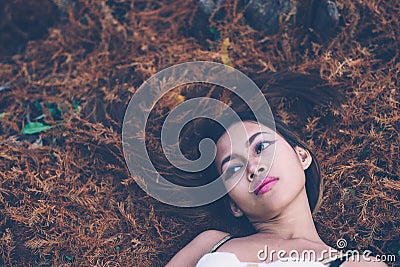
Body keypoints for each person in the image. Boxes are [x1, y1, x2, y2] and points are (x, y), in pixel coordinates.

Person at [161, 74, 388, 266]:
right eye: (234, 169)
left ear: (302, 156)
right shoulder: (210, 245)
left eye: (260, 147)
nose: (253, 167)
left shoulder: (358, 264)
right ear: (234, 205)